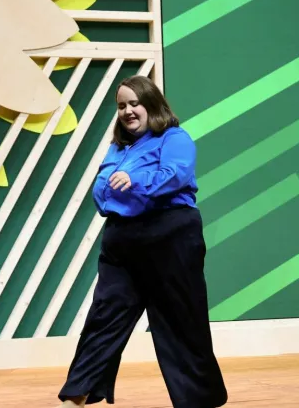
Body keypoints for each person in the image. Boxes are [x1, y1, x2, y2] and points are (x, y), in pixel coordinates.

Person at [57, 75, 227, 408]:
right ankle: (78, 393)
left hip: (169, 236)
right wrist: (116, 193)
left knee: (180, 322)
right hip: (122, 241)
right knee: (104, 316)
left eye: (135, 103)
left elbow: (176, 174)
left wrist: (136, 180)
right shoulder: (118, 147)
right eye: (121, 105)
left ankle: (199, 401)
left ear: (151, 104)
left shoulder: (174, 138)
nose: (128, 111)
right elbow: (102, 192)